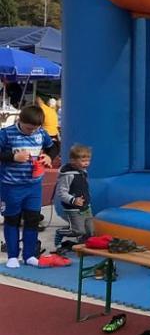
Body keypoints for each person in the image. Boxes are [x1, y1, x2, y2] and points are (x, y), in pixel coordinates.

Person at [0, 105, 58, 268]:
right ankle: (12, 256)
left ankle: (30, 255)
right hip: (11, 186)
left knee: (32, 220)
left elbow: (54, 146)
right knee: (12, 219)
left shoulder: (41, 133)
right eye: (28, 128)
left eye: (35, 129)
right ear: (20, 120)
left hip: (34, 186)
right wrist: (13, 157)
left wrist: (49, 156)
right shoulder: (6, 133)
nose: (31, 132)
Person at [55, 144, 94, 242]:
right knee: (78, 231)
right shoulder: (68, 175)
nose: (86, 163)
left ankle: (84, 244)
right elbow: (61, 192)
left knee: (90, 231)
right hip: (73, 208)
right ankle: (60, 232)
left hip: (85, 206)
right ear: (73, 161)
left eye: (88, 160)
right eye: (83, 161)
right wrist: (73, 200)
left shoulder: (83, 171)